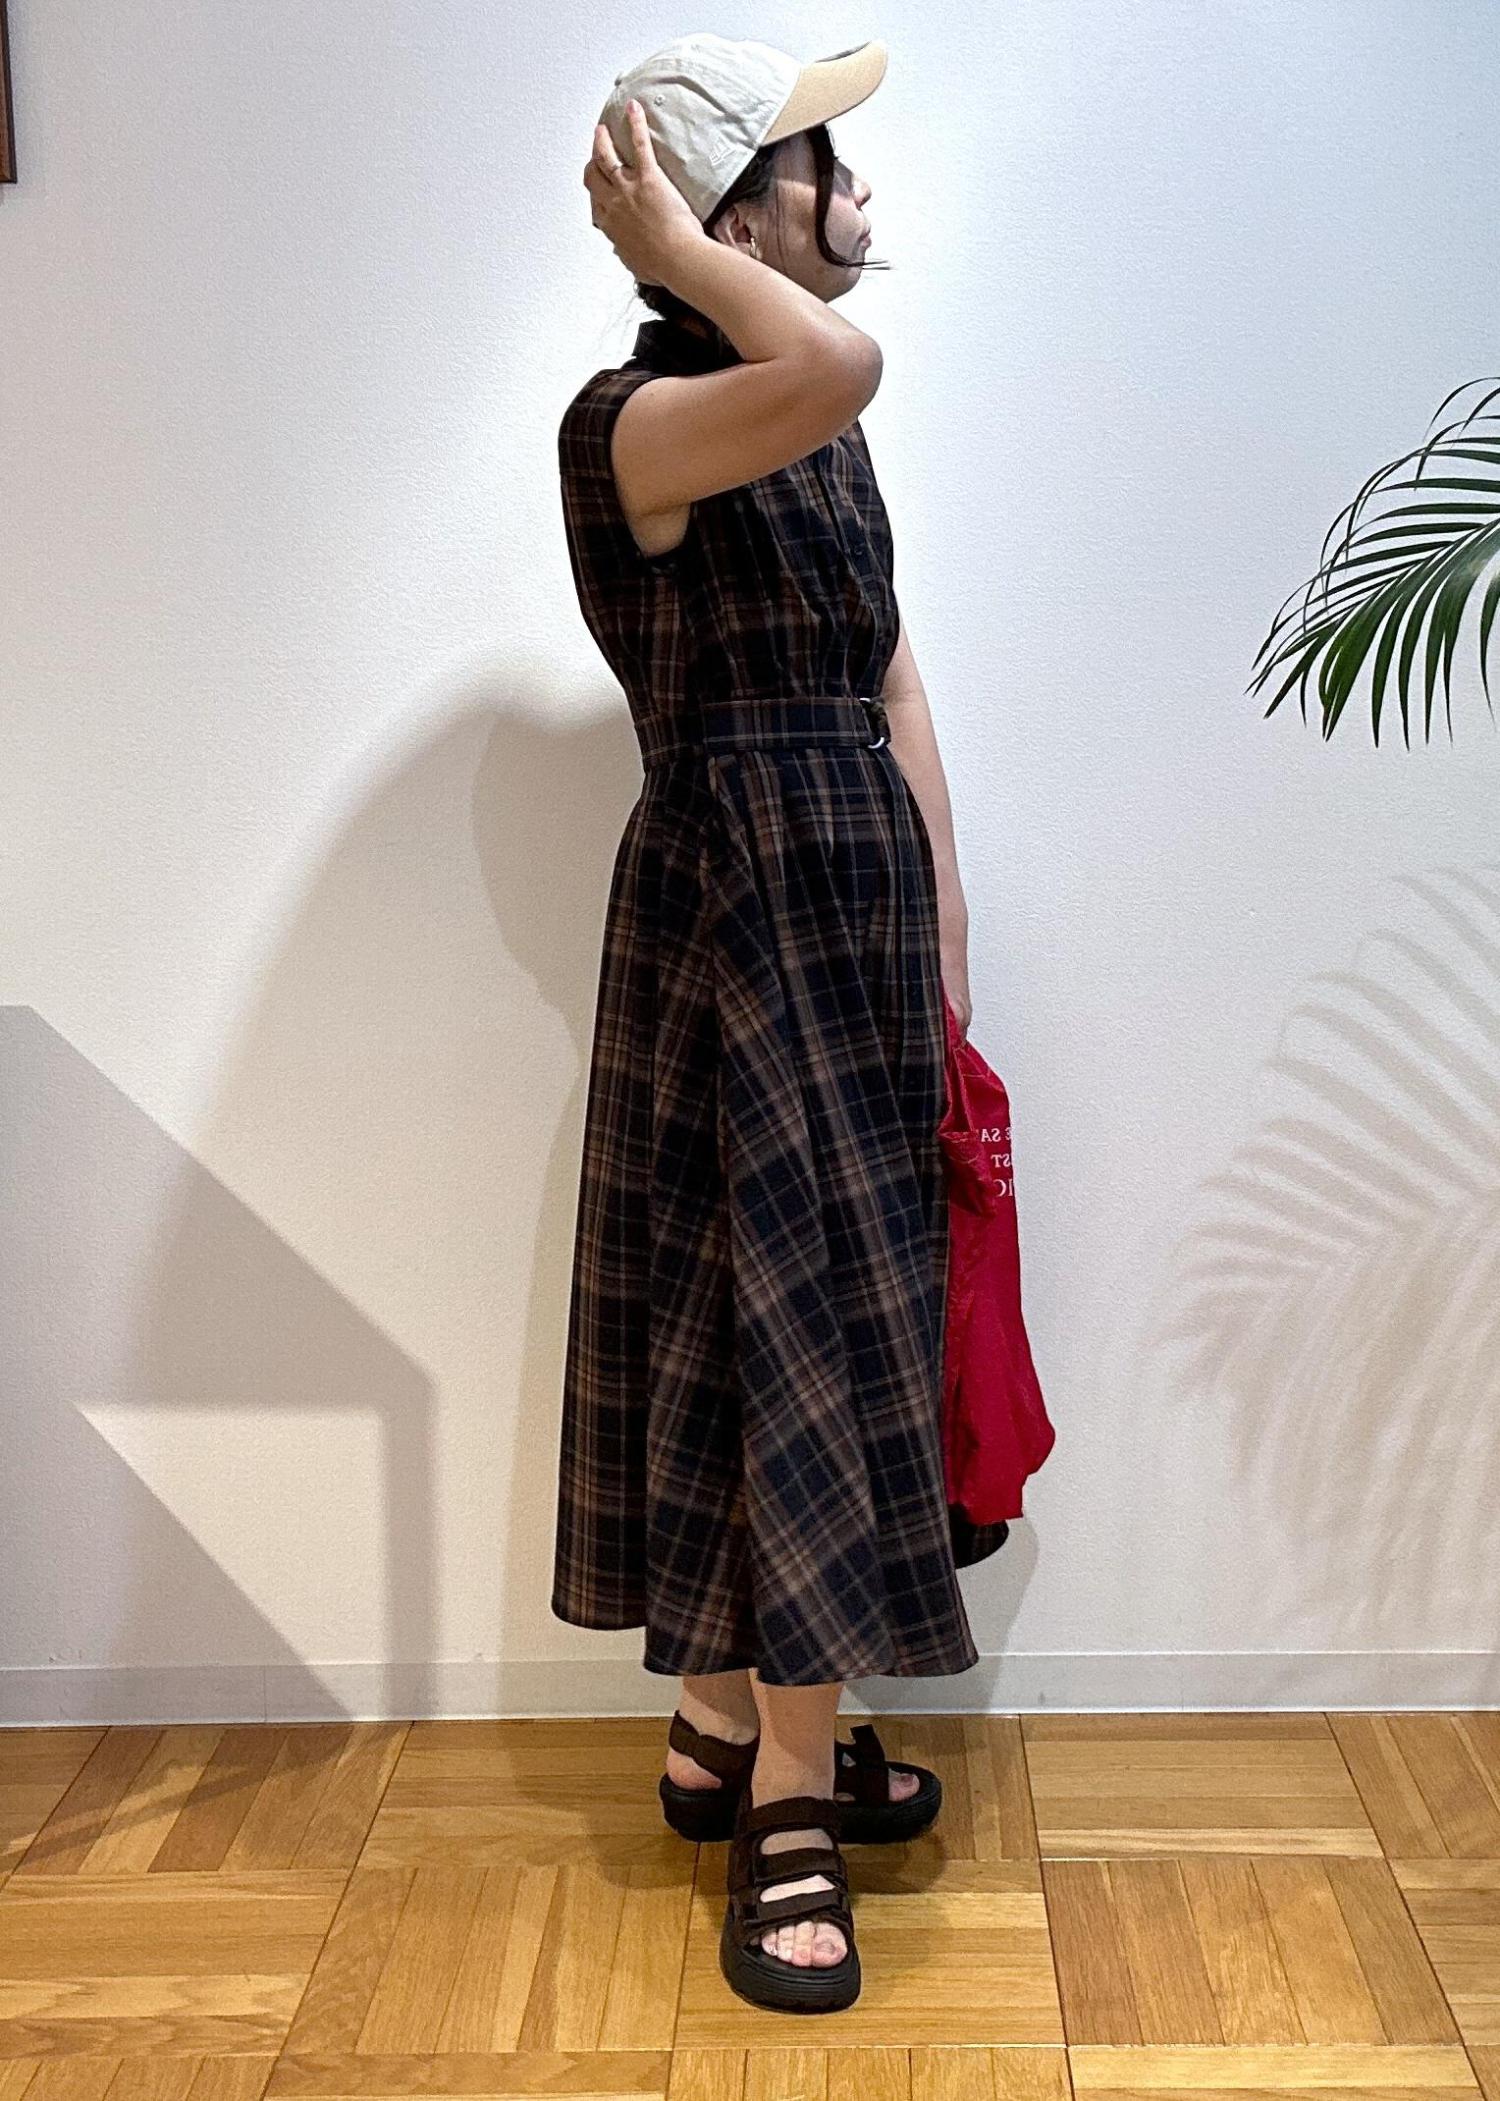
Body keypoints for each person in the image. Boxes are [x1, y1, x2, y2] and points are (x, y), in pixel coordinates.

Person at [551, 34, 1009, 2013]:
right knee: (776, 1316)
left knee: (817, 1305)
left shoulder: (812, 425)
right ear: (738, 205)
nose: (867, 201)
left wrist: (947, 921)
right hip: (734, 896)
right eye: (830, 168)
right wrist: (671, 243)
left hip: (850, 894)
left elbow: (893, 675)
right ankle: (790, 1805)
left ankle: (724, 1721)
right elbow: (837, 360)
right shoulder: (638, 420)